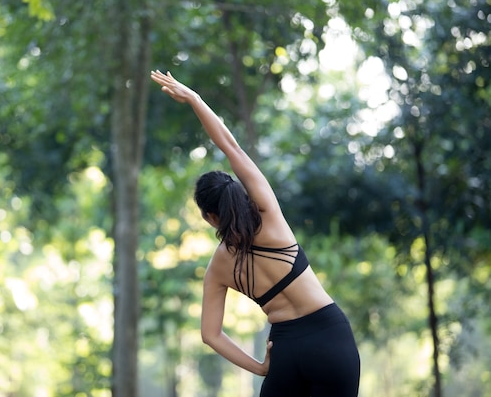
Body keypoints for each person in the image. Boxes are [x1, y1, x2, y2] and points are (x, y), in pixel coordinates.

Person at [150, 70, 361, 397]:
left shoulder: (218, 267)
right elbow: (228, 144)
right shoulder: (269, 216)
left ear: (209, 217)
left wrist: (261, 368)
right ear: (236, 193)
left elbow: (211, 334)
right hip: (330, 339)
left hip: (285, 350)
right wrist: (194, 98)